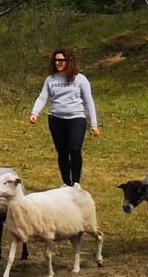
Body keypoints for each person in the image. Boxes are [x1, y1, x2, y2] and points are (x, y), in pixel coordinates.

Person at [29, 48, 100, 187]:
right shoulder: (50, 80)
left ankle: (76, 182)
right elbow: (43, 97)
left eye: (61, 60)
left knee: (74, 148)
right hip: (56, 119)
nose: (58, 63)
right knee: (62, 152)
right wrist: (34, 113)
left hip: (76, 118)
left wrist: (94, 124)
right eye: (56, 60)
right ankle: (67, 183)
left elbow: (88, 102)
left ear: (69, 61)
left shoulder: (80, 79)